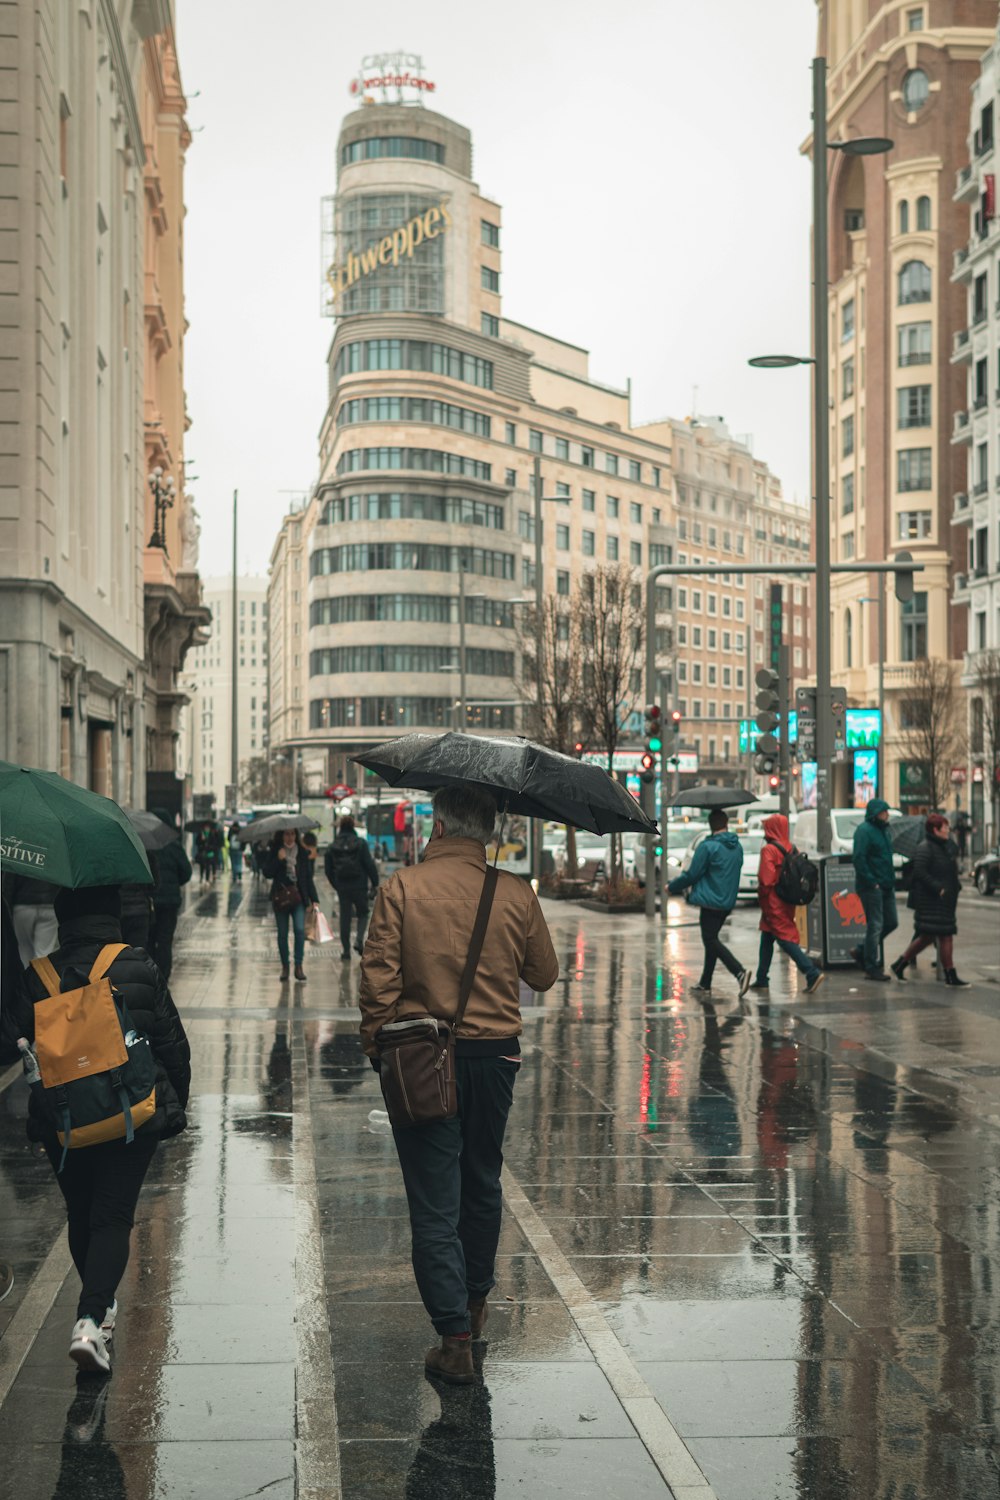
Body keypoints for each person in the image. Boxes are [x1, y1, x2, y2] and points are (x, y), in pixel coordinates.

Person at [360, 785, 558, 1385]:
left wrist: (379, 1048)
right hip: (494, 1057)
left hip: (422, 1056)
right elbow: (544, 974)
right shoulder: (515, 892)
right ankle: (475, 1303)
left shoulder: (401, 888)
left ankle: (454, 1339)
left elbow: (377, 984)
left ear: (438, 827)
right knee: (482, 1180)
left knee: (433, 1199)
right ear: (490, 834)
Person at [12, 884, 190, 1374]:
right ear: (112, 913)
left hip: (64, 1121)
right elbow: (172, 1041)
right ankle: (91, 1321)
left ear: (62, 916)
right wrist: (176, 1103)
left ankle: (100, 1309)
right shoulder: (136, 962)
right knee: (112, 1217)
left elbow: (27, 1049)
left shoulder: (38, 975)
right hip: (131, 1112)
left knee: (83, 1213)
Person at [668, 809, 751, 1000]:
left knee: (711, 940)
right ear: (726, 823)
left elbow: (692, 874)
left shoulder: (707, 847)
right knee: (711, 939)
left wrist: (671, 887)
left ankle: (739, 972)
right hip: (728, 901)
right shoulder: (736, 847)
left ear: (710, 825)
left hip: (710, 901)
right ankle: (705, 982)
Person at [890, 813, 970, 987]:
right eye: (945, 827)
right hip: (933, 900)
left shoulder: (943, 847)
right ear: (936, 829)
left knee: (926, 937)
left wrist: (954, 886)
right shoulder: (925, 848)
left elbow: (948, 870)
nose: (948, 830)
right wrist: (938, 888)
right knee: (945, 936)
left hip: (943, 901)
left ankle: (900, 964)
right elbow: (920, 872)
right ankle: (950, 975)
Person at [750, 814, 825, 996]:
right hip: (786, 900)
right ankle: (762, 977)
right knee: (767, 936)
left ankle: (811, 972)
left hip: (772, 901)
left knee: (784, 938)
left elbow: (766, 879)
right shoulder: (791, 848)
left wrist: (762, 895)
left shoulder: (769, 850)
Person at [262, 829, 319, 982]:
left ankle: (299, 965)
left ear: (296, 835)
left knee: (300, 930)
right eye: (286, 834)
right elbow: (267, 872)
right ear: (281, 835)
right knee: (282, 933)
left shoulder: (301, 852)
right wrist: (279, 859)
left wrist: (314, 898)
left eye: (292, 834)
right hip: (281, 897)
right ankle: (285, 966)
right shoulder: (276, 850)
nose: (290, 837)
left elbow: (307, 876)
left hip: (298, 897)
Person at [851, 797, 898, 982]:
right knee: (875, 925)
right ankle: (871, 966)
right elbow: (859, 858)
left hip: (886, 884)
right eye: (884, 812)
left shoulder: (884, 831)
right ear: (875, 814)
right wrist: (872, 882)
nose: (887, 815)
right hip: (872, 887)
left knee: (891, 922)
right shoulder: (864, 831)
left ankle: (862, 950)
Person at [325, 815, 379, 960]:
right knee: (363, 913)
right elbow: (369, 865)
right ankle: (359, 940)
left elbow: (328, 870)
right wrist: (375, 883)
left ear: (341, 828)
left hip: (342, 887)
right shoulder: (360, 843)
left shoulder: (333, 846)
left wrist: (336, 884)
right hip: (359, 885)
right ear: (352, 827)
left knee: (345, 918)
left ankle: (346, 951)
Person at [149, 821, 192, 982]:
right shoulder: (174, 846)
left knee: (150, 939)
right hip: (170, 902)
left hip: (151, 902)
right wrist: (174, 884)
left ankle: (150, 973)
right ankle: (163, 976)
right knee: (165, 940)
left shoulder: (146, 847)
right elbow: (186, 872)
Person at [9, 876, 60, 964]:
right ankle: (40, 975)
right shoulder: (57, 862)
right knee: (44, 953)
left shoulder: (19, 862)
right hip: (49, 904)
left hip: (23, 905)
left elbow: (8, 884)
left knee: (24, 949)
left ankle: (25, 974)